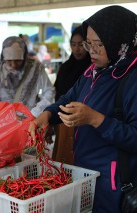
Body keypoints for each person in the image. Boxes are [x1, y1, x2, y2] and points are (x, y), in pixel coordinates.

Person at [30, 6, 137, 213]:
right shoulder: (95, 71)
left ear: (119, 42)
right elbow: (68, 98)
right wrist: (47, 115)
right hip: (89, 180)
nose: (91, 50)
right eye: (88, 44)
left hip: (116, 188)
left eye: (98, 44)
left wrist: (96, 120)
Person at [0, 36, 55, 118]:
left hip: (29, 119)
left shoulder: (36, 68)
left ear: (24, 57)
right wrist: (3, 115)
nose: (13, 65)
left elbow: (49, 91)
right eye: (9, 61)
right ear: (3, 57)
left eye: (17, 61)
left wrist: (35, 112)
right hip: (2, 119)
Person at [51, 25, 91, 164]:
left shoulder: (91, 69)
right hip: (62, 121)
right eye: (73, 45)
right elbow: (58, 93)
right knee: (62, 161)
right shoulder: (65, 67)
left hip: (82, 123)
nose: (77, 49)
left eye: (81, 44)